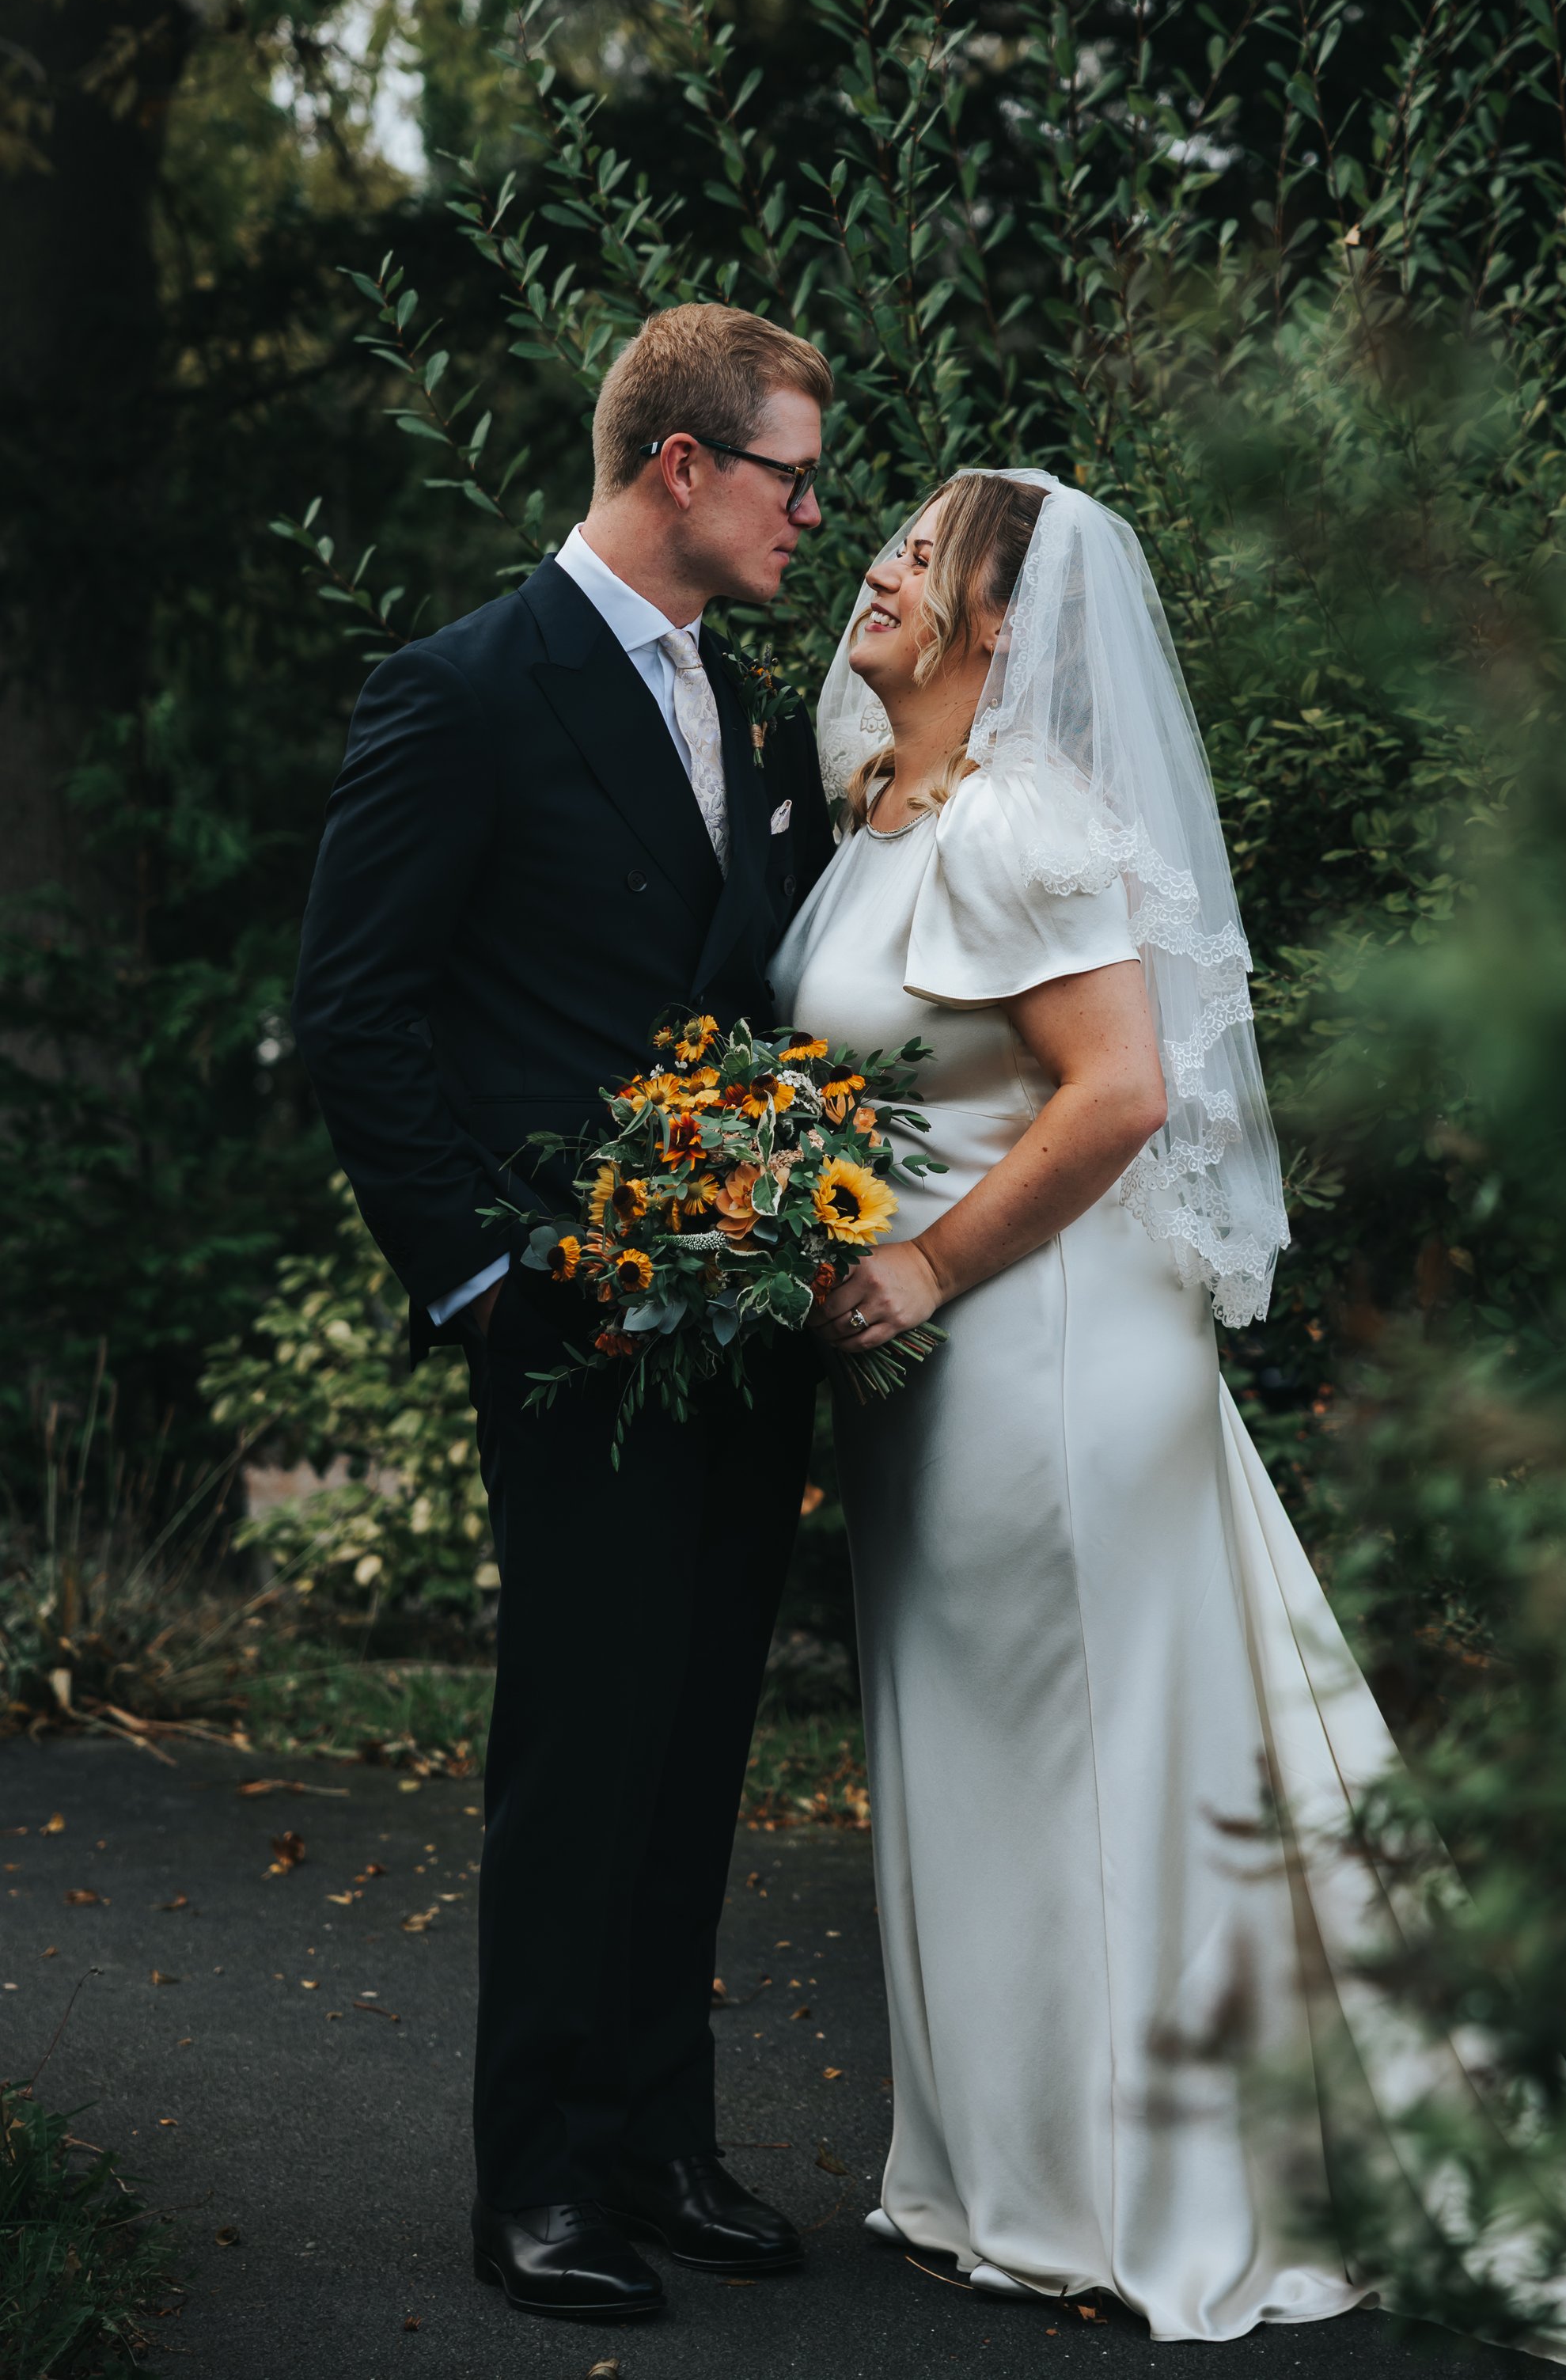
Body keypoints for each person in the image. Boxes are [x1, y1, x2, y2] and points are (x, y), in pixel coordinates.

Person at [769, 468, 1566, 2362]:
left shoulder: (1030, 824)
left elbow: (1111, 1097)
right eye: (891, 535)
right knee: (966, 1747)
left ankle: (1128, 2202)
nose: (878, 560)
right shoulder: (877, 808)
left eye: (924, 554)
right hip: (920, 1365)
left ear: (1005, 625)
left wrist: (928, 1265)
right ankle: (986, 2180)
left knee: (1091, 1751)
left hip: (1044, 1346)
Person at [291, 304, 836, 2324]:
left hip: (738, 1329)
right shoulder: (462, 688)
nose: (809, 511)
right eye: (789, 473)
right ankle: (534, 2181)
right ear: (681, 465)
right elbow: (354, 1012)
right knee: (579, 1752)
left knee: (695, 1747)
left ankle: (659, 2143)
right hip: (570, 1328)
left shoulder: (754, 710)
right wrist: (489, 1279)